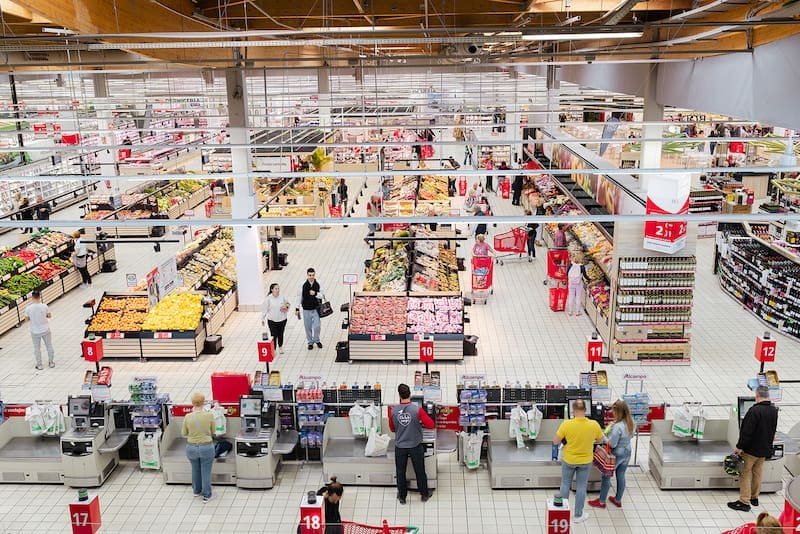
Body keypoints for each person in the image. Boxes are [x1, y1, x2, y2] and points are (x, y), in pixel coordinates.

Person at [728, 385, 779, 512]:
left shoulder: (754, 411)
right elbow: (773, 429)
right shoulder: (774, 410)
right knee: (757, 472)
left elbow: (747, 432)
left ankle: (744, 501)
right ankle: (754, 497)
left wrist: (739, 447)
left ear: (757, 396)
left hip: (751, 450)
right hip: (764, 449)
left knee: (745, 474)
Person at [553, 399, 604, 524]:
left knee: (565, 484)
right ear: (585, 410)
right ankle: (578, 515)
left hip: (569, 459)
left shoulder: (566, 424)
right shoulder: (594, 424)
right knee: (581, 487)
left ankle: (563, 514)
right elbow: (600, 439)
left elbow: (555, 441)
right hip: (585, 461)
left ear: (573, 410)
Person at [389, 383, 435, 505]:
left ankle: (402, 497)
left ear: (399, 395)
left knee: (400, 471)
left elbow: (392, 429)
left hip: (400, 446)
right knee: (419, 470)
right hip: (415, 445)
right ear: (410, 394)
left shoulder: (393, 411)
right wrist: (419, 422)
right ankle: (424, 494)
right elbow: (431, 425)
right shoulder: (417, 410)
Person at [589, 400, 635, 509]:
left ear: (618, 412)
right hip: (627, 451)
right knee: (621, 475)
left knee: (606, 476)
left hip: (616, 453)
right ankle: (617, 499)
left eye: (614, 411)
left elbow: (612, 444)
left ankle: (601, 502)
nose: (612, 413)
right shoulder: (631, 422)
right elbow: (631, 436)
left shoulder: (618, 427)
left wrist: (603, 436)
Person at [181, 392, 215, 503]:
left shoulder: (188, 417)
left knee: (195, 469)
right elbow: (213, 431)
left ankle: (196, 491)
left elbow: (183, 433)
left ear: (192, 403)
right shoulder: (209, 415)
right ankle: (206, 495)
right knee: (206, 471)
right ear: (204, 402)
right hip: (206, 447)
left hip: (191, 448)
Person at [295, 268, 325, 351]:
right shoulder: (303, 284)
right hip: (306, 309)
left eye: (313, 275)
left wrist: (315, 293)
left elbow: (322, 295)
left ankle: (317, 340)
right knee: (307, 327)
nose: (311, 277)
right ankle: (310, 342)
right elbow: (299, 296)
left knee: (317, 326)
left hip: (316, 309)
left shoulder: (318, 284)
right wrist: (297, 308)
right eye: (310, 275)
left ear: (315, 275)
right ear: (307, 275)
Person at [25, 290, 55, 370]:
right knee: (49, 346)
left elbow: (26, 320)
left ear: (32, 297)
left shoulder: (28, 308)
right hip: (45, 329)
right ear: (39, 296)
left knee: (37, 348)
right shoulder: (44, 306)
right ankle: (51, 362)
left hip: (35, 331)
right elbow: (49, 316)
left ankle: (39, 365)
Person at [261, 283, 290, 354]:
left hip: (282, 319)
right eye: (276, 289)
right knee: (274, 335)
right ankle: (273, 349)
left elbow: (288, 304)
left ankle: (280, 346)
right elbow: (264, 309)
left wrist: (285, 307)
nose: (277, 290)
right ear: (272, 290)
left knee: (280, 334)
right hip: (272, 320)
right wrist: (262, 318)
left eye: (278, 288)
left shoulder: (282, 297)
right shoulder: (268, 299)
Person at [566, 252, 587, 317]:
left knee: (571, 296)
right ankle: (577, 312)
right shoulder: (582, 266)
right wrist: (589, 280)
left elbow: (567, 273)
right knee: (578, 297)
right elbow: (585, 275)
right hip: (578, 283)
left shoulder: (570, 264)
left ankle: (570, 312)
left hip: (571, 283)